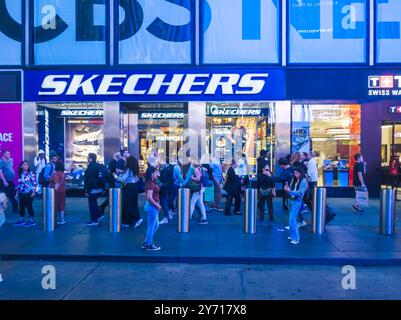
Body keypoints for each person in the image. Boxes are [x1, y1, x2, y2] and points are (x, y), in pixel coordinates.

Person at [114, 156, 143, 228]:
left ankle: (136, 219)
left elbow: (123, 179)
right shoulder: (134, 169)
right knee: (133, 204)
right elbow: (135, 179)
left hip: (129, 188)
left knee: (127, 204)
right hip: (134, 187)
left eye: (126, 161)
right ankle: (129, 221)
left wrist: (115, 176)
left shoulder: (129, 169)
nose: (125, 162)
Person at [284, 167, 308, 245]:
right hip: (291, 200)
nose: (295, 175)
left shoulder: (303, 181)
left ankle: (296, 238)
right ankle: (292, 235)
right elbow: (291, 189)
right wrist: (287, 189)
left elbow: (300, 193)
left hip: (297, 201)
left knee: (292, 219)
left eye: (297, 173)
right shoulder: (293, 180)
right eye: (294, 173)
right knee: (291, 219)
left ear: (301, 173)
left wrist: (289, 191)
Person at [13, 161, 37, 227]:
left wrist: (34, 192)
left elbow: (34, 183)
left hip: (29, 193)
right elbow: (19, 184)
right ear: (21, 166)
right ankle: (21, 220)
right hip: (21, 193)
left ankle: (32, 220)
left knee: (29, 206)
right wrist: (17, 193)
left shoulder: (31, 173)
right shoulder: (20, 174)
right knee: (21, 207)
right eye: (24, 164)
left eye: (27, 164)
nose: (26, 166)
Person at [143, 166, 162, 251]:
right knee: (151, 226)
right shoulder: (150, 183)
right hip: (152, 207)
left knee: (155, 225)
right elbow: (149, 197)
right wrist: (157, 205)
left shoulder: (151, 182)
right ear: (151, 174)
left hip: (152, 206)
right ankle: (149, 244)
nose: (157, 174)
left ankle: (146, 242)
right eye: (156, 172)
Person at [84, 153, 105, 226]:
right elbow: (101, 177)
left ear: (91, 158)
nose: (87, 158)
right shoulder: (98, 166)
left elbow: (89, 180)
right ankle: (98, 215)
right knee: (94, 203)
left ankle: (94, 220)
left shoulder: (90, 167)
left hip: (92, 189)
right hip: (98, 188)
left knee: (92, 204)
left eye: (88, 157)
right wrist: (103, 187)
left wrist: (87, 190)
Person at [185, 159, 208, 224]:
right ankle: (204, 218)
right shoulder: (202, 168)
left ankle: (188, 217)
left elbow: (198, 178)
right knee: (200, 203)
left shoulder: (196, 169)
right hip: (202, 188)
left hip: (198, 188)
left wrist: (192, 178)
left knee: (192, 202)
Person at [49, 161, 67, 225]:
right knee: (62, 204)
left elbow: (56, 183)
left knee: (54, 204)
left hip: (56, 191)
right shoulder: (63, 173)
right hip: (63, 190)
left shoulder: (55, 174)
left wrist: (54, 191)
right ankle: (62, 218)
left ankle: (53, 218)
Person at [158, 159, 174, 224]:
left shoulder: (164, 170)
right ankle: (168, 215)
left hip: (163, 188)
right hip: (167, 187)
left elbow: (164, 179)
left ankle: (166, 217)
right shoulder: (170, 168)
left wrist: (158, 176)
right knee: (165, 201)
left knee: (163, 202)